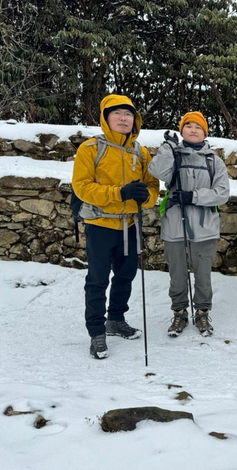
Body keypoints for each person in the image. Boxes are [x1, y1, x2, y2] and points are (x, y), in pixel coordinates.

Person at [72, 94, 159, 359]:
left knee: (125, 276)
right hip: (100, 224)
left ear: (135, 120)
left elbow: (152, 187)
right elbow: (82, 187)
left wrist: (147, 198)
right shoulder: (90, 148)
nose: (123, 118)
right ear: (106, 118)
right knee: (97, 280)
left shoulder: (140, 151)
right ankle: (96, 331)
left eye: (128, 114)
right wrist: (120, 193)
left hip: (130, 225)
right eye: (117, 113)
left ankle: (116, 319)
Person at [148, 111, 230, 338]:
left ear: (205, 132)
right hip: (175, 225)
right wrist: (167, 148)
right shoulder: (173, 155)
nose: (193, 130)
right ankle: (179, 313)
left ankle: (202, 313)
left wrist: (193, 197)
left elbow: (222, 193)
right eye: (188, 126)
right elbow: (156, 171)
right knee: (177, 274)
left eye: (198, 127)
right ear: (181, 130)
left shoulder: (214, 161)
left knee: (203, 275)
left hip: (205, 228)